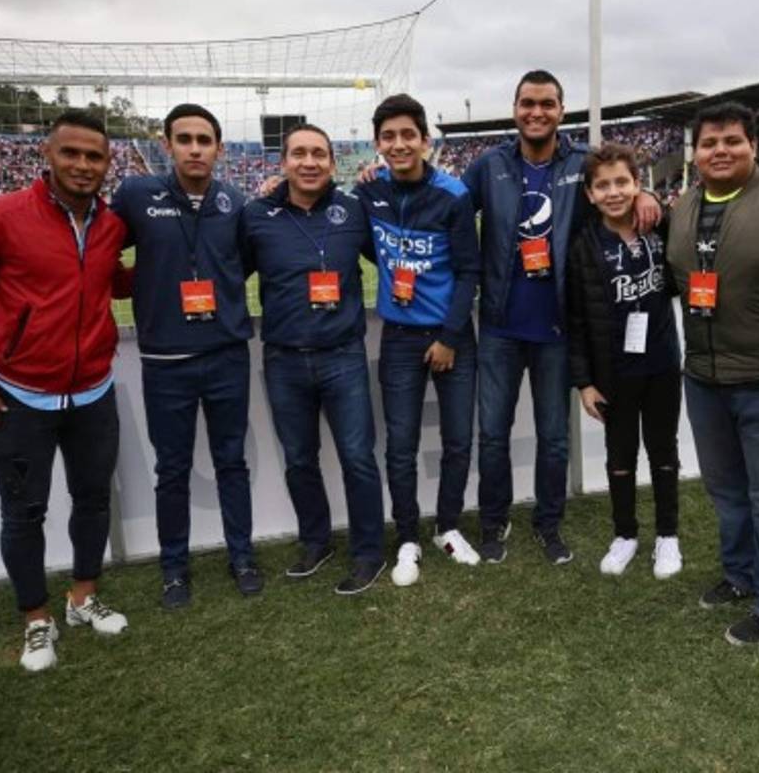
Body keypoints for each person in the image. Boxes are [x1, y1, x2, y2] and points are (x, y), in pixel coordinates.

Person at [0, 110, 130, 672]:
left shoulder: (111, 224)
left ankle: (83, 598)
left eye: (94, 156)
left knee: (93, 500)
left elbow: (111, 279)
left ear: (107, 163)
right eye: (71, 153)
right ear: (47, 154)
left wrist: (178, 271)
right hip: (18, 395)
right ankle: (36, 620)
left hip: (94, 390)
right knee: (24, 513)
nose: (82, 165)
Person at [463, 69, 660, 564]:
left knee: (554, 438)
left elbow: (615, 191)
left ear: (561, 109)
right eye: (527, 103)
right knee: (492, 435)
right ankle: (493, 522)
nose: (536, 112)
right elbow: (444, 203)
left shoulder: (581, 162)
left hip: (556, 328)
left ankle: (548, 524)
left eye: (546, 103)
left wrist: (648, 195)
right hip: (500, 326)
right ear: (515, 109)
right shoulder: (489, 165)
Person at [665, 104, 759, 645]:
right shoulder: (682, 204)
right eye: (709, 143)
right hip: (703, 376)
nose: (720, 151)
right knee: (727, 491)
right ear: (696, 153)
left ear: (754, 145)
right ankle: (741, 575)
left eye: (732, 140)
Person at [110, 104, 262, 609]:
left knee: (231, 463)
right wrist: (139, 284)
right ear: (167, 145)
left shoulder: (235, 202)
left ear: (219, 148)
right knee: (172, 469)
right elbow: (103, 252)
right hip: (165, 360)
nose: (194, 148)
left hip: (225, 355)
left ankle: (242, 555)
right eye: (184, 139)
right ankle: (174, 568)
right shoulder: (136, 196)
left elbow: (248, 264)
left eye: (204, 140)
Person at [241, 124, 387, 595]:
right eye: (299, 153)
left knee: (357, 458)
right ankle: (316, 540)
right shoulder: (257, 215)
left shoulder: (353, 210)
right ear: (282, 162)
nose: (309, 162)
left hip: (343, 355)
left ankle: (368, 552)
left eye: (318, 154)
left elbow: (392, 254)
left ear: (332, 161)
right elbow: (228, 271)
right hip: (283, 359)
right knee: (300, 460)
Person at [356, 94, 482, 586]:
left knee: (457, 441)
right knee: (401, 445)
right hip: (400, 337)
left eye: (408, 134)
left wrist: (451, 336)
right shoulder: (368, 191)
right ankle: (407, 535)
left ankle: (447, 527)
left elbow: (470, 270)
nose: (399, 143)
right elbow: (363, 243)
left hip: (453, 337)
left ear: (425, 141)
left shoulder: (453, 194)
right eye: (389, 136)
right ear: (377, 144)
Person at [566, 143, 683, 579]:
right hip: (613, 372)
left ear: (638, 185)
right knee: (620, 456)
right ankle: (626, 534)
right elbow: (575, 319)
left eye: (622, 182)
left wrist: (656, 206)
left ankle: (667, 535)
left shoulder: (659, 227)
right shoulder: (582, 246)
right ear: (590, 195)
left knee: (663, 450)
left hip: (663, 365)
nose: (614, 192)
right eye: (603, 185)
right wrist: (583, 382)